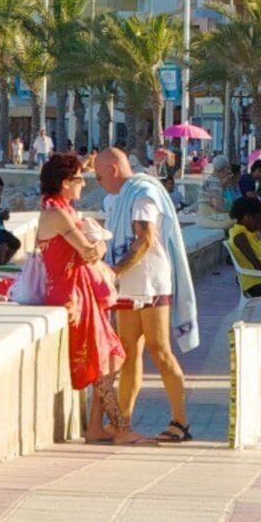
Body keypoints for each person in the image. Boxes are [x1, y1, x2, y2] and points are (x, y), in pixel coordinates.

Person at [92, 144, 194, 445]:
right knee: (128, 352)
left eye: (99, 177)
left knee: (159, 350)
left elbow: (145, 239)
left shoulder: (142, 194)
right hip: (128, 288)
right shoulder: (119, 198)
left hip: (151, 284)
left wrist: (114, 272)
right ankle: (123, 421)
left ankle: (180, 421)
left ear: (113, 170)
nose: (99, 182)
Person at [25, 153, 124, 421]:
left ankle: (102, 425)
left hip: (76, 291)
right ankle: (118, 427)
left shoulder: (59, 210)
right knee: (100, 359)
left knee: (106, 357)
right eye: (79, 179)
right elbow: (90, 252)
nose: (84, 184)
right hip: (70, 295)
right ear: (64, 182)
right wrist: (102, 242)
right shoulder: (56, 213)